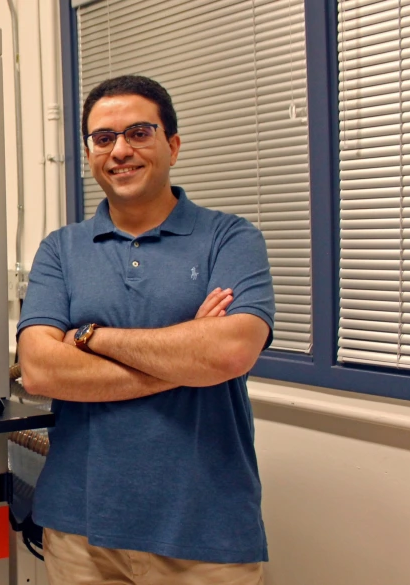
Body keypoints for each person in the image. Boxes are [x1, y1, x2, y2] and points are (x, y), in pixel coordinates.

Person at [17, 75, 274, 584]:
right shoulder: (60, 249)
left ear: (172, 146)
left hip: (206, 533)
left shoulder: (231, 237)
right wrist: (186, 359)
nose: (120, 151)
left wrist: (92, 337)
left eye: (139, 133)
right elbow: (41, 370)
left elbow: (228, 352)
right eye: (103, 138)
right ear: (90, 152)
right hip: (79, 529)